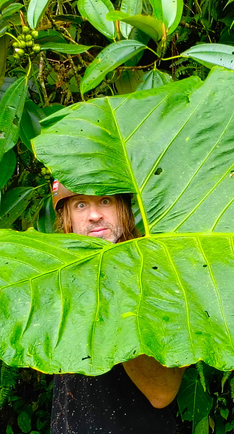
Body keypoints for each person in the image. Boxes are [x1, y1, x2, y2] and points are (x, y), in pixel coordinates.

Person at [49, 180, 186, 434]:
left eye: (105, 201)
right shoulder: (63, 278)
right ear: (65, 219)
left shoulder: (155, 274)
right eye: (80, 205)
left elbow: (162, 392)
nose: (94, 215)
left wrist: (114, 292)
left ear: (124, 207)